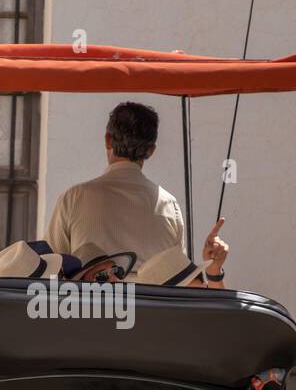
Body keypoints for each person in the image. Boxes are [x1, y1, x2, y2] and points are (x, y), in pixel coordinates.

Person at [46, 101, 228, 277]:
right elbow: (177, 276)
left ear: (107, 140)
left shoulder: (73, 198)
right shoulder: (169, 205)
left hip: (90, 306)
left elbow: (52, 267)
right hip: (152, 306)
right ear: (151, 151)